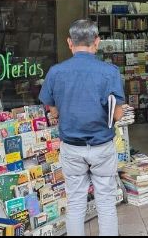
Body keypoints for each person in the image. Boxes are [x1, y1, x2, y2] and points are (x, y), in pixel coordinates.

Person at [38, 19, 125, 237]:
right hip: (102, 145)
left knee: (75, 202)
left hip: (72, 148)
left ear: (70, 43)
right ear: (97, 42)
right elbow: (117, 113)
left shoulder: (56, 72)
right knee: (105, 202)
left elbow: (52, 110)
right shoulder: (109, 72)